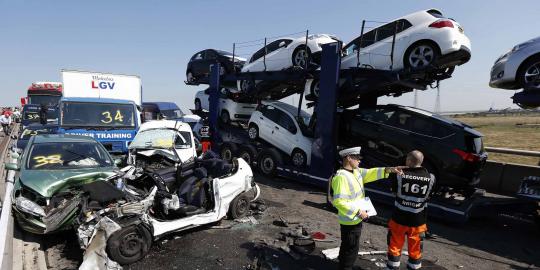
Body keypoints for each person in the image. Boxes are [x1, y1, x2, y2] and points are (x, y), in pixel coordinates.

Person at [331, 146, 403, 270]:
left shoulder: (356, 171)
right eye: (357, 158)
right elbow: (338, 201)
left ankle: (344, 264)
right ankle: (346, 267)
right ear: (348, 158)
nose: (359, 160)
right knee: (351, 248)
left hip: (356, 218)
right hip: (350, 220)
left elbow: (371, 173)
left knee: (348, 246)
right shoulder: (341, 177)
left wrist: (388, 170)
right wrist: (358, 211)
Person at [385, 150, 436, 270]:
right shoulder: (431, 177)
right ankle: (414, 267)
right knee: (416, 247)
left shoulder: (399, 174)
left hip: (399, 218)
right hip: (418, 220)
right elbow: (429, 196)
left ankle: (392, 267)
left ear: (408, 160)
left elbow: (393, 191)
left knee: (395, 245)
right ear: (421, 161)